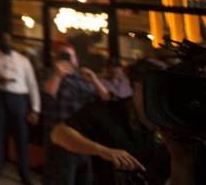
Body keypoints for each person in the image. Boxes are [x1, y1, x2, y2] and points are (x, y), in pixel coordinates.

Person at [50, 58, 200, 185]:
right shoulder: (108, 111)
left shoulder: (174, 121)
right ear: (134, 87)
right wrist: (102, 150)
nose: (155, 97)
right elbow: (59, 134)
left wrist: (180, 161)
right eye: (150, 89)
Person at [42, 44, 110, 185]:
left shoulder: (84, 78)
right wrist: (58, 75)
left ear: (76, 60)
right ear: (56, 59)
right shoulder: (49, 74)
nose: (67, 60)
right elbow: (46, 97)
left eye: (70, 56)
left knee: (84, 180)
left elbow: (107, 100)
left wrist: (95, 80)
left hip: (83, 139)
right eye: (63, 56)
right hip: (60, 140)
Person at [0, 32, 41, 184]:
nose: (6, 42)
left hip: (19, 99)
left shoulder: (23, 60)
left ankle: (24, 173)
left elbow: (32, 84)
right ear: (0, 41)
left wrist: (35, 108)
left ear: (12, 42)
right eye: (3, 40)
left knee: (21, 136)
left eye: (8, 40)